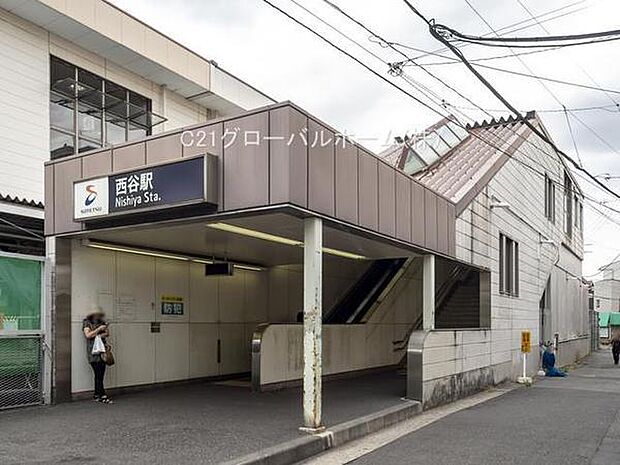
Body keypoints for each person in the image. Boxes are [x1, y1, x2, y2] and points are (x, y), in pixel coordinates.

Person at [83, 306, 113, 403]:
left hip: (102, 351)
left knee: (100, 374)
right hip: (93, 352)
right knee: (98, 373)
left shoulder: (102, 322)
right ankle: (102, 394)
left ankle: (97, 394)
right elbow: (88, 335)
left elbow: (107, 333)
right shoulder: (87, 322)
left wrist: (99, 334)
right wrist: (99, 330)